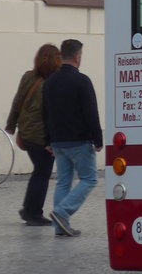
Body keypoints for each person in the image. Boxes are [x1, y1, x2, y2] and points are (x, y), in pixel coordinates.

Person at [42, 38, 103, 237]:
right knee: (89, 178)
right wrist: (98, 138)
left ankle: (61, 226)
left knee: (63, 182)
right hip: (79, 141)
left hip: (58, 141)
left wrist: (47, 140)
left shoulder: (50, 81)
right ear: (78, 56)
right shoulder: (82, 80)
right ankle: (62, 212)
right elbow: (90, 112)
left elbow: (45, 112)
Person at [4, 43, 61, 226]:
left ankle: (28, 208)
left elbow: (17, 102)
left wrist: (12, 125)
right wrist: (52, 140)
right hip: (42, 137)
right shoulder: (54, 82)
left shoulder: (28, 76)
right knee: (42, 174)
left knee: (38, 172)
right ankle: (34, 213)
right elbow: (53, 113)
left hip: (27, 133)